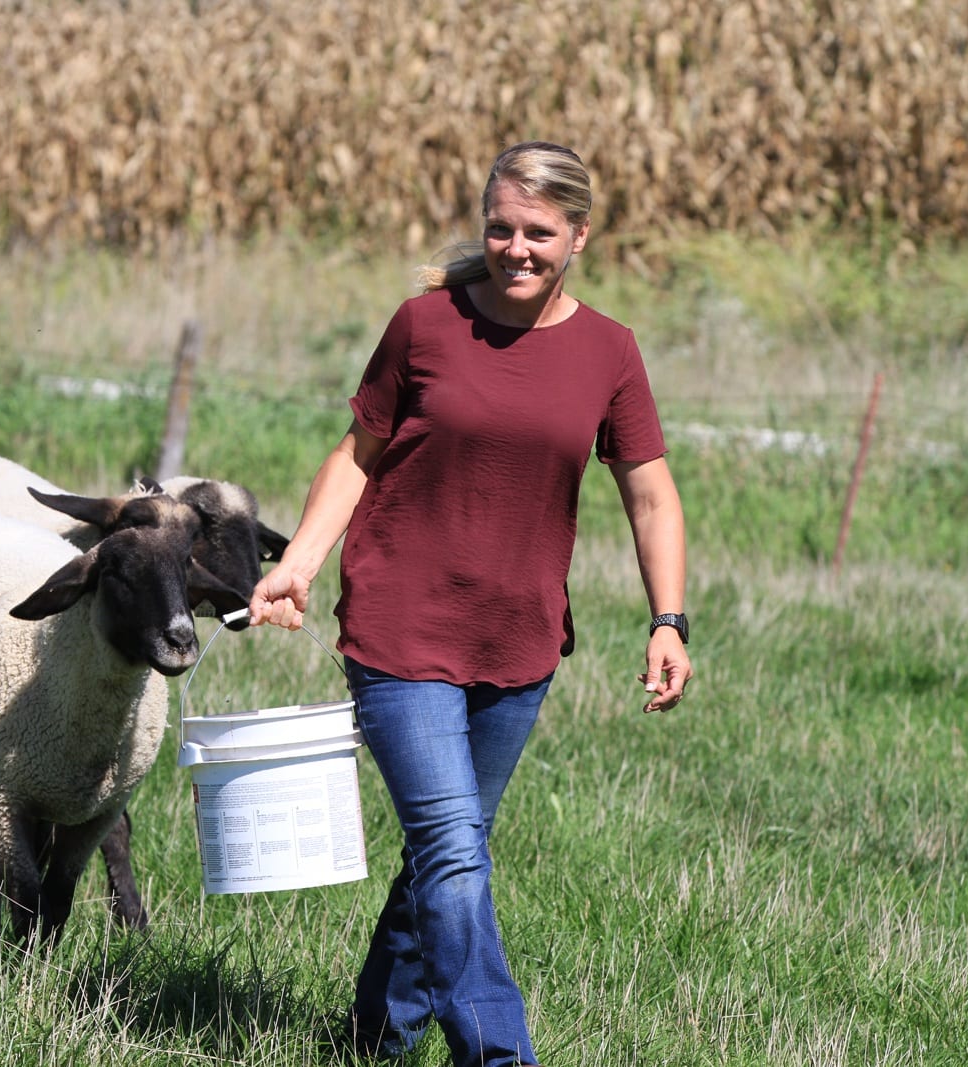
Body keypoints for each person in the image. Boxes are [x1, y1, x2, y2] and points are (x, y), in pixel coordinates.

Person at [247, 141, 691, 1066]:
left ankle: (376, 1035)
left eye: (539, 233)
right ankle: (499, 1052)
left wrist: (668, 618)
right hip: (400, 627)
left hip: (519, 642)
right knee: (453, 849)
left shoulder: (610, 351)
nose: (516, 248)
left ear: (579, 236)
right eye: (500, 228)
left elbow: (651, 495)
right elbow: (357, 455)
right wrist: (299, 561)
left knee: (445, 850)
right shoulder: (424, 325)